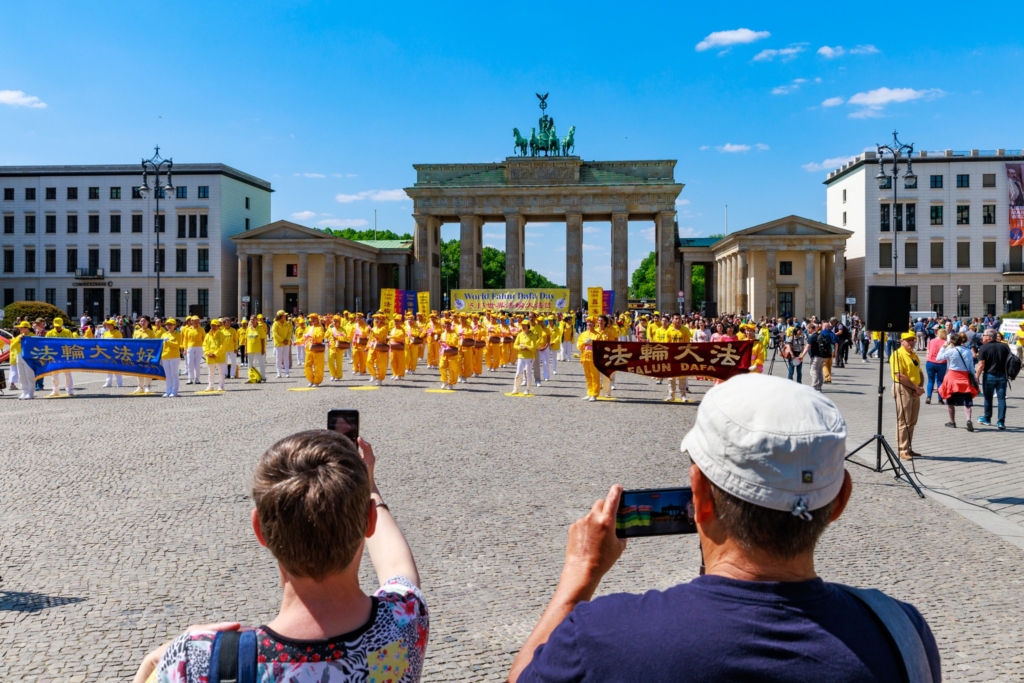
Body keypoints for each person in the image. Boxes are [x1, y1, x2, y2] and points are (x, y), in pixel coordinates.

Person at [508, 374, 939, 683]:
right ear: (841, 499)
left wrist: (579, 573)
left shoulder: (603, 633)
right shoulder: (902, 633)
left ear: (698, 495)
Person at [134, 431, 428, 683]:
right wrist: (370, 487)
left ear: (260, 530)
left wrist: (149, 666)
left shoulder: (196, 663)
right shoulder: (404, 622)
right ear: (369, 523)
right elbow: (397, 567)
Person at [890, 331, 924, 460]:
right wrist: (915, 387)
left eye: (913, 340)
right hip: (903, 388)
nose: (911, 342)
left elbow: (919, 372)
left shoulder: (914, 355)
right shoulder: (898, 354)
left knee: (912, 421)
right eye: (908, 340)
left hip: (914, 389)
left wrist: (919, 388)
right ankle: (902, 449)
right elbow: (899, 375)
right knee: (904, 420)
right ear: (902, 341)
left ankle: (908, 447)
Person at [936, 332, 978, 430]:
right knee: (967, 401)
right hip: (964, 376)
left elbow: (938, 358)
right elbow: (971, 366)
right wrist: (975, 378)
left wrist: (943, 347)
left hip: (952, 376)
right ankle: (968, 420)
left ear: (951, 342)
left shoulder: (951, 351)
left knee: (950, 400)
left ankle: (952, 422)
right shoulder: (967, 351)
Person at [976, 328, 1011, 430]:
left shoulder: (984, 347)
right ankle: (1001, 422)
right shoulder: (1005, 347)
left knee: (988, 399)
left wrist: (976, 377)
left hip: (989, 376)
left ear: (989, 337)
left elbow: (981, 364)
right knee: (1001, 399)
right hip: (1002, 376)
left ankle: (987, 418)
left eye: (983, 335)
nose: (982, 337)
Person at [44, 317, 76, 396]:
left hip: (66, 355)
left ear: (62, 325)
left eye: (59, 325)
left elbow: (73, 343)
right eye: (56, 326)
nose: (57, 327)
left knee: (67, 374)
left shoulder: (67, 332)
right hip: (54, 355)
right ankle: (55, 390)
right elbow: (46, 344)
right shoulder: (50, 333)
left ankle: (70, 390)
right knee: (54, 374)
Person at [576, 317, 601, 402]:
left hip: (594, 357)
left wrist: (592, 343)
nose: (589, 324)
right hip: (585, 356)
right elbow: (579, 345)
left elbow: (600, 346)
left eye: (591, 323)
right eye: (588, 323)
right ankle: (589, 392)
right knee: (588, 375)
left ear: (594, 324)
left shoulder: (597, 334)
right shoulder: (583, 334)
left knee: (594, 375)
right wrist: (585, 343)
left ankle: (594, 393)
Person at [512, 319, 538, 395]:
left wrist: (526, 347)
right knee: (518, 373)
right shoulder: (520, 335)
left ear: (528, 326)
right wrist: (520, 348)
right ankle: (515, 388)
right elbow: (515, 345)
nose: (523, 327)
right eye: (522, 325)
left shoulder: (532, 335)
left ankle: (527, 389)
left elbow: (533, 347)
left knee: (528, 373)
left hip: (530, 356)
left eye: (525, 326)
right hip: (521, 356)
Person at [302, 313, 327, 387]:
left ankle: (317, 381)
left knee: (318, 366)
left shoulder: (320, 327)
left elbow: (320, 337)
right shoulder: (309, 327)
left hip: (317, 349)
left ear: (318, 319)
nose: (313, 320)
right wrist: (297, 342)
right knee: (307, 365)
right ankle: (311, 379)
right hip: (309, 349)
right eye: (312, 319)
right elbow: (304, 337)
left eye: (314, 319)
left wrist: (311, 336)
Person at [159, 318, 182, 398]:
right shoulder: (164, 334)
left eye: (171, 324)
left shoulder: (177, 334)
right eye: (167, 324)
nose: (169, 326)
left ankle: (174, 391)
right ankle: (168, 391)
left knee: (174, 374)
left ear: (174, 325)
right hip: (165, 356)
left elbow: (177, 344)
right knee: (167, 375)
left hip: (174, 356)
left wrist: (168, 341)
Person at [924, 328, 948, 405]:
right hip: (941, 363)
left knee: (930, 380)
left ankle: (928, 397)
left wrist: (927, 359)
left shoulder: (932, 341)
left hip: (930, 362)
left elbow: (928, 351)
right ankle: (940, 399)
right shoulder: (946, 343)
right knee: (940, 381)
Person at [801, 322, 826, 392]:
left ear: (810, 328)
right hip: (822, 356)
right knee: (819, 371)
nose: (807, 331)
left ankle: (814, 387)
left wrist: (802, 355)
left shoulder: (812, 336)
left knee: (813, 371)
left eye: (807, 329)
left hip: (815, 357)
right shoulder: (819, 335)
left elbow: (808, 346)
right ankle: (819, 387)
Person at [100, 319, 125, 388]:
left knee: (117, 367)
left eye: (109, 324)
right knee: (108, 368)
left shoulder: (117, 332)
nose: (107, 325)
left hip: (115, 352)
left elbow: (121, 343)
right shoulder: (105, 333)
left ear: (113, 325)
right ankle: (108, 382)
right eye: (107, 324)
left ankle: (119, 382)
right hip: (107, 352)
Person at [272, 311, 293, 378]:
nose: (285, 316)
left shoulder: (287, 323)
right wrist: (283, 340)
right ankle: (279, 373)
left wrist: (287, 339)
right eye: (284, 315)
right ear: (280, 316)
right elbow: (275, 334)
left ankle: (287, 372)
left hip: (286, 343)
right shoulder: (275, 324)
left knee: (286, 357)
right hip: (278, 343)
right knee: (278, 358)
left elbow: (290, 332)